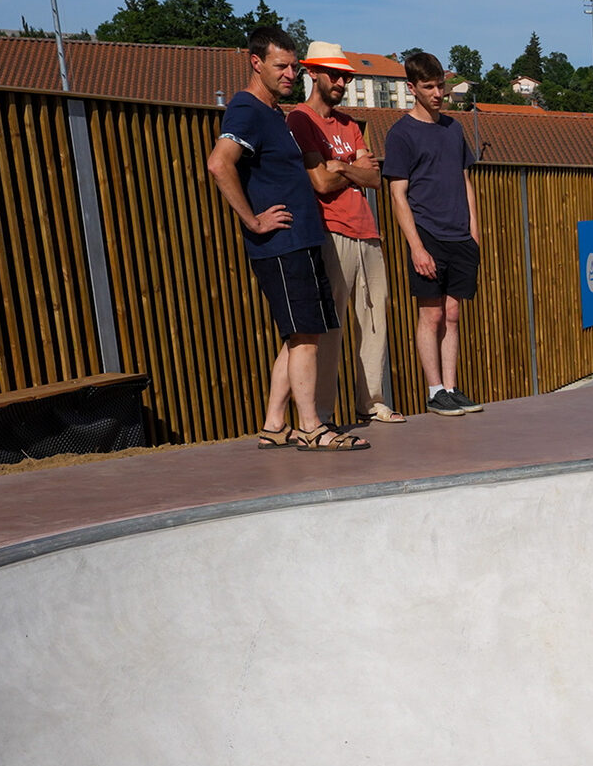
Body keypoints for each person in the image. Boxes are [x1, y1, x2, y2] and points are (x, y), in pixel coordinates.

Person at [205, 26, 365, 451]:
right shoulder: (246, 109)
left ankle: (275, 424)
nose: (290, 74)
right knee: (305, 337)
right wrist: (253, 221)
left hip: (300, 241)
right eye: (281, 66)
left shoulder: (273, 112)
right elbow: (219, 164)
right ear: (256, 62)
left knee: (299, 336)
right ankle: (311, 427)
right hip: (282, 245)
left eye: (294, 67)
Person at [287, 41, 401, 429]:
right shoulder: (300, 119)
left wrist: (343, 165)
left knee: (374, 319)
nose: (340, 82)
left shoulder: (350, 123)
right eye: (334, 75)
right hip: (330, 229)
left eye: (345, 77)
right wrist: (352, 167)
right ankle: (322, 413)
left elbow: (374, 177)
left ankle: (372, 401)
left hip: (366, 230)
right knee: (330, 325)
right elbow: (319, 181)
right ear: (312, 73)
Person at [382, 51, 483, 418]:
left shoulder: (454, 129)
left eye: (441, 86)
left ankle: (452, 388)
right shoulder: (401, 134)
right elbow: (397, 194)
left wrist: (474, 232)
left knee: (453, 314)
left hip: (460, 235)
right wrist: (416, 247)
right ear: (412, 88)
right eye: (429, 87)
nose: (438, 93)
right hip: (427, 234)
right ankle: (435, 390)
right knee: (432, 315)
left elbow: (466, 181)